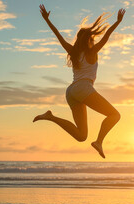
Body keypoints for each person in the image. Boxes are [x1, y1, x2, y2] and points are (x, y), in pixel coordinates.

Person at [33, 4, 126, 158]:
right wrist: (118, 22)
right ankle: (99, 142)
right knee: (114, 115)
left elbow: (58, 36)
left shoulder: (74, 52)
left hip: (71, 92)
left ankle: (50, 117)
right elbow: (107, 36)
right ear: (89, 39)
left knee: (81, 136)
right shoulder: (92, 52)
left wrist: (47, 20)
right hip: (83, 89)